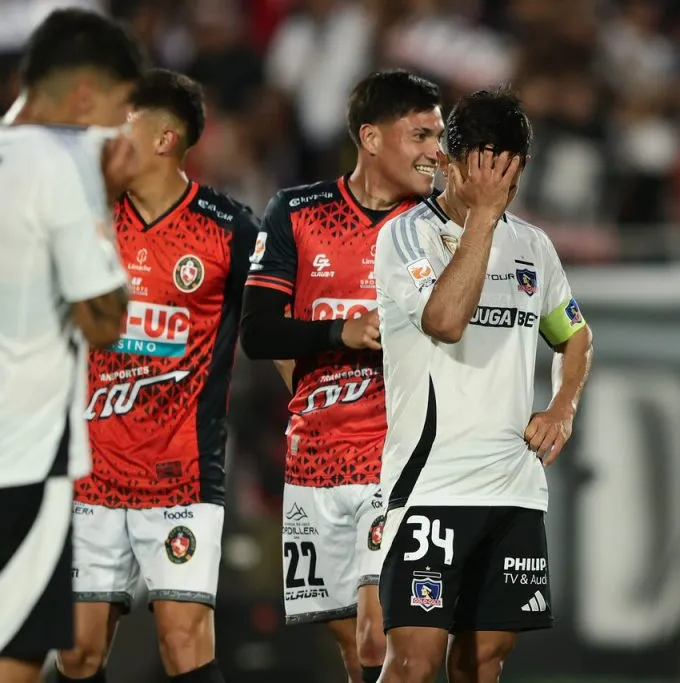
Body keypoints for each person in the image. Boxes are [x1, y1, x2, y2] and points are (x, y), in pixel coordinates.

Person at [0, 9, 146, 683]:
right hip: (18, 460)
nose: (118, 126)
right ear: (82, 96)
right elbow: (103, 320)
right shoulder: (60, 170)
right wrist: (101, 202)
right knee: (4, 669)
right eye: (118, 106)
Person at [373, 88, 594, 683]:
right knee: (413, 665)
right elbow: (444, 321)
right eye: (489, 172)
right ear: (451, 161)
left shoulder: (534, 247)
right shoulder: (404, 237)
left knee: (483, 662)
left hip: (513, 490)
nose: (502, 188)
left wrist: (563, 405)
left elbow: (574, 334)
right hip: (432, 487)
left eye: (513, 176)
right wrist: (484, 221)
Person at [239, 69, 443, 683]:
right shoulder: (296, 212)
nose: (436, 151)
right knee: (355, 654)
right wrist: (337, 335)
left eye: (439, 136)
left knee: (380, 633)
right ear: (372, 138)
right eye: (421, 135)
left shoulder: (436, 228)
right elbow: (257, 333)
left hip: (400, 455)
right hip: (315, 461)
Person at [57, 68, 258, 683]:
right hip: (89, 471)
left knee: (183, 640)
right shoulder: (81, 220)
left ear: (166, 138)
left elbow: (279, 320)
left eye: (122, 125)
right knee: (78, 651)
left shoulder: (231, 229)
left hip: (183, 472)